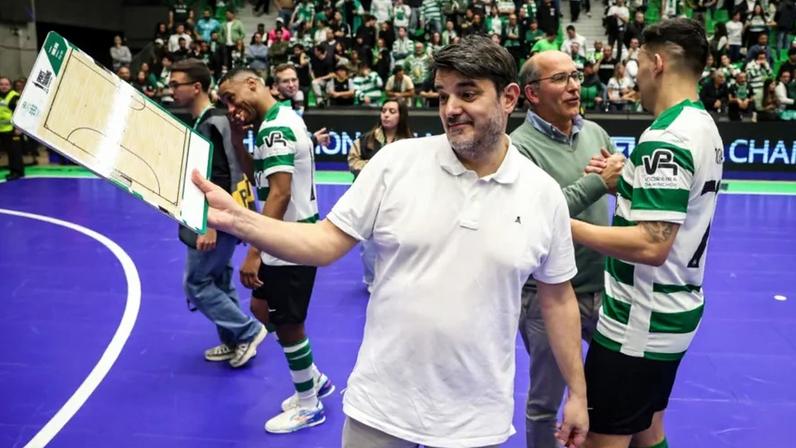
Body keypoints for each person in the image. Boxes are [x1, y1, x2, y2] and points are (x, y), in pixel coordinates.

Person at [193, 34, 588, 448]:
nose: (451, 109)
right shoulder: (397, 164)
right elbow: (324, 242)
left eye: (467, 94)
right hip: (379, 409)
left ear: (509, 98)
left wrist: (577, 393)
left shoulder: (543, 194)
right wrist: (239, 219)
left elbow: (558, 299)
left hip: (475, 420)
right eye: (442, 96)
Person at [571, 18, 724, 448]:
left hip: (638, 324)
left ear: (657, 63)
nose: (634, 74)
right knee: (647, 428)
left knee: (602, 438)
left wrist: (563, 225)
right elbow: (680, 205)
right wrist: (629, 184)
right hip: (672, 313)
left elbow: (652, 244)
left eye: (637, 62)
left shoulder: (666, 139)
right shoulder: (702, 126)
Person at [511, 51, 624, 448]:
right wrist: (598, 183)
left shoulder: (593, 132)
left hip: (603, 287)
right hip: (547, 295)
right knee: (546, 400)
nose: (574, 85)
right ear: (532, 94)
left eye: (575, 76)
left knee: (618, 384)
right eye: (560, 79)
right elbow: (539, 213)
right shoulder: (518, 149)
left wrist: (621, 176)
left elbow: (617, 182)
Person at [216, 68, 334, 433]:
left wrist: (255, 249)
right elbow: (262, 178)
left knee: (288, 322)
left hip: (289, 241)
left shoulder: (275, 128)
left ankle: (309, 405)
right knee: (260, 307)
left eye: (231, 98)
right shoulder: (277, 120)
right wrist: (237, 138)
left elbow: (280, 193)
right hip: (283, 238)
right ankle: (313, 378)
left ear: (252, 83)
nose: (231, 107)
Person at [169, 60, 267, 368]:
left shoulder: (211, 123)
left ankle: (247, 331)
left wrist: (207, 225)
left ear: (196, 87)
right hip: (222, 215)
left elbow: (220, 176)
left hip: (214, 220)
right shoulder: (210, 121)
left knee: (197, 283)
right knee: (220, 278)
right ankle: (233, 340)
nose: (171, 90)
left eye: (176, 85)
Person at [347, 99, 411, 292]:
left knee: (397, 240)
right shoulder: (366, 140)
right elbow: (352, 161)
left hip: (397, 200)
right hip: (368, 199)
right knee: (369, 245)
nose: (386, 114)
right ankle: (372, 280)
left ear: (401, 116)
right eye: (384, 110)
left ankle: (396, 278)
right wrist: (376, 169)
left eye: (392, 111)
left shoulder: (409, 143)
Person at [0, 77, 23, 181]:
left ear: (10, 85)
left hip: (13, 130)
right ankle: (12, 170)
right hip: (2, 130)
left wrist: (18, 128)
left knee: (15, 153)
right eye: (1, 84)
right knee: (8, 152)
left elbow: (21, 113)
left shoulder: (14, 96)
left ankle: (17, 172)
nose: (4, 86)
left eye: (6, 84)